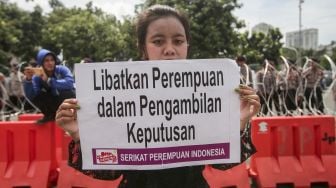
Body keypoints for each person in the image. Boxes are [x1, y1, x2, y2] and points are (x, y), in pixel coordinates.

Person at [55, 5, 260, 188]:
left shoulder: (211, 91)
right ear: (143, 47)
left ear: (187, 45)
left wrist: (239, 122)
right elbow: (110, 171)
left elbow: (220, 161)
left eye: (178, 41)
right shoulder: (117, 95)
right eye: (158, 41)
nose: (170, 50)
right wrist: (82, 136)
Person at [27, 49, 75, 124]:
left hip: (68, 102)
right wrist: (28, 81)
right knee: (38, 96)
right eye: (46, 61)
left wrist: (50, 81)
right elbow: (33, 95)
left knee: (66, 92)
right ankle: (50, 116)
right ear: (41, 63)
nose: (50, 63)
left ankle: (70, 114)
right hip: (53, 105)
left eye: (52, 60)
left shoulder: (62, 69)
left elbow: (69, 84)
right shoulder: (37, 77)